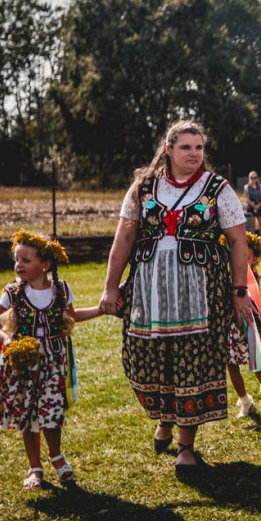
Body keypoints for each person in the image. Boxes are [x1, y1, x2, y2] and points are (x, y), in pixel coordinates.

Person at [98, 120, 253, 480]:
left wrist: (239, 289)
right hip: (149, 291)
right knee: (147, 358)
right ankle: (166, 418)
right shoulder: (144, 187)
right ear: (168, 149)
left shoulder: (218, 189)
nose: (194, 154)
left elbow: (238, 242)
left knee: (192, 360)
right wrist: (110, 286)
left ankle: (185, 446)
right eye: (186, 148)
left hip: (202, 292)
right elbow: (123, 239)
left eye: (199, 148)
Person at [0, 231, 101, 489]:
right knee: (29, 414)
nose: (19, 265)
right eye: (17, 260)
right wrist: (6, 339)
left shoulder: (61, 289)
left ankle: (57, 457)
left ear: (46, 265)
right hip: (24, 364)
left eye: (26, 260)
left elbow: (73, 315)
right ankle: (35, 468)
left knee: (52, 411)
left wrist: (101, 309)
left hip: (53, 363)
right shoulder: (13, 292)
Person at [227, 232, 261, 417]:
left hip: (250, 326)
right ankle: (245, 401)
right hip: (231, 327)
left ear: (254, 259)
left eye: (246, 257)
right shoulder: (226, 277)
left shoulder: (258, 281)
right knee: (231, 364)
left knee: (257, 362)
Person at [244, 171, 261, 239]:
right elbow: (247, 199)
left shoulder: (260, 186)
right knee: (252, 227)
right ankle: (253, 243)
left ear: (257, 178)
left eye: (255, 178)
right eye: (252, 178)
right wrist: (254, 206)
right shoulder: (247, 187)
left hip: (259, 206)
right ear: (249, 178)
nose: (253, 179)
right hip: (251, 207)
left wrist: (259, 205)